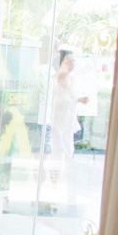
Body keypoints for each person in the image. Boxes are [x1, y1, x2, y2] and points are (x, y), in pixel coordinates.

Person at [50, 49, 88, 179]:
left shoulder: (72, 79)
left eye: (73, 61)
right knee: (57, 152)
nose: (71, 64)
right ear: (60, 63)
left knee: (68, 151)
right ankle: (54, 180)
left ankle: (62, 179)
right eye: (68, 61)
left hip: (69, 122)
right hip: (56, 123)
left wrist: (79, 100)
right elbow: (51, 104)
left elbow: (71, 98)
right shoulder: (53, 81)